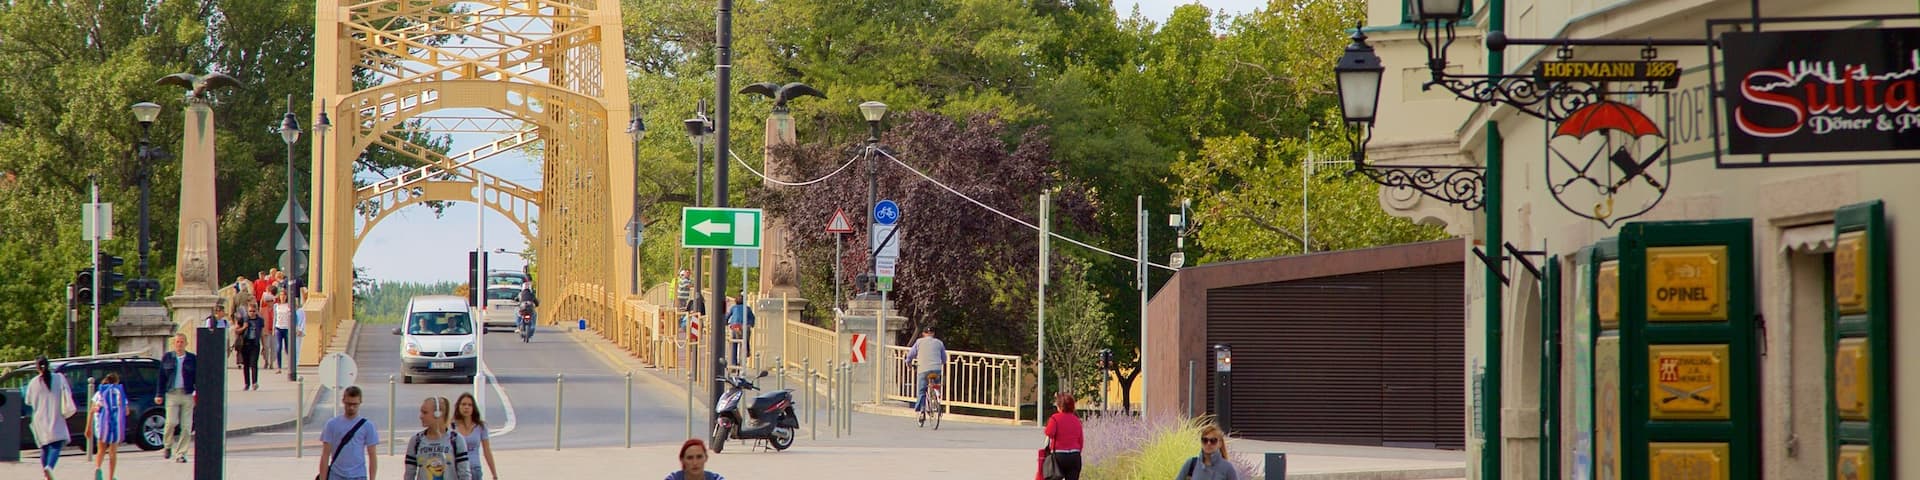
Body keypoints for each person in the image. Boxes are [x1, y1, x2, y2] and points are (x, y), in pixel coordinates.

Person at [25, 356, 77, 480]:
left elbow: (28, 401)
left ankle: (45, 473)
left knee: (44, 446)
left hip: (39, 417)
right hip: (56, 415)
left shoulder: (33, 383)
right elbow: (67, 393)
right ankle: (50, 468)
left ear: (37, 367)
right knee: (56, 444)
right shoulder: (59, 378)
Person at [320, 386, 380, 480]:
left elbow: (372, 455)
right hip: (336, 474)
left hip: (358, 475)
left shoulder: (367, 426)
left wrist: (372, 478)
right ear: (343, 401)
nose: (351, 407)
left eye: (355, 404)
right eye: (348, 404)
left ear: (360, 402)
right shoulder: (331, 424)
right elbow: (325, 455)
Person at [403, 396, 471, 480]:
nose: (421, 416)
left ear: (437, 413)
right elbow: (409, 474)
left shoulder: (455, 439)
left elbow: (464, 473)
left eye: (425, 412)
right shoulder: (416, 440)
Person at [158, 333, 198, 462]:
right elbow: (161, 377)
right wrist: (159, 394)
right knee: (171, 422)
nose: (179, 344)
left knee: (186, 427)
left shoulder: (192, 359)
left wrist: (198, 392)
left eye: (182, 342)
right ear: (174, 344)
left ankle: (181, 453)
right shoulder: (167, 358)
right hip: (172, 394)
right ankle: (168, 445)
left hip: (187, 394)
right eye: (177, 342)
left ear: (186, 344)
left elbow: (198, 377)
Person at [89, 372, 128, 480]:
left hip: (101, 426)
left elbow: (92, 410)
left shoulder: (99, 393)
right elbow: (126, 410)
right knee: (113, 451)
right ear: (117, 381)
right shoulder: (118, 392)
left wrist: (88, 427)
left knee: (101, 450)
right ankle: (111, 477)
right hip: (114, 426)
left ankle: (97, 467)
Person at [903, 327, 948, 417]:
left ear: (923, 334)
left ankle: (922, 410)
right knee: (936, 384)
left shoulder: (919, 342)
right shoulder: (939, 343)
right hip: (936, 369)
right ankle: (937, 398)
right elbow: (944, 359)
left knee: (922, 391)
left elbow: (910, 355)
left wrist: (908, 363)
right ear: (933, 334)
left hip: (923, 369)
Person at [451, 393, 497, 480]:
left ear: (473, 408)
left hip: (475, 469)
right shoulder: (451, 426)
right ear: (458, 406)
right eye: (463, 404)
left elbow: (487, 451)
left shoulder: (480, 426)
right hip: (457, 470)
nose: (466, 407)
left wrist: (494, 474)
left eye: (470, 405)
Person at [1042, 392, 1083, 480]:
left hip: (1059, 455)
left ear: (1060, 407)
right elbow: (1080, 441)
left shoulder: (1055, 418)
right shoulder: (1077, 420)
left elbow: (1049, 433)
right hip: (1074, 456)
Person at [239, 303, 264, 390]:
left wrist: (264, 346)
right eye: (250, 311)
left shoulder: (260, 320)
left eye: (254, 311)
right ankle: (247, 383)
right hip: (245, 344)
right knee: (246, 365)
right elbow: (236, 331)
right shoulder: (243, 320)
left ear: (256, 311)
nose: (252, 313)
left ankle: (254, 382)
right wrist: (244, 327)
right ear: (247, 311)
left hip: (255, 344)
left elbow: (261, 334)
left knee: (253, 363)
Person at [724, 297, 755, 365]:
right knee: (745, 341)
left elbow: (727, 316)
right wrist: (751, 324)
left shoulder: (733, 308)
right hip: (744, 327)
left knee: (733, 345)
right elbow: (752, 317)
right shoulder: (747, 308)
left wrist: (726, 323)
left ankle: (733, 363)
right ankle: (746, 353)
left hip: (734, 327)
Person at [272, 286, 293, 374]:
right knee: (278, 347)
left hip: (287, 328)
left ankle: (291, 365)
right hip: (278, 327)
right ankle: (279, 367)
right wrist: (273, 328)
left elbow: (292, 317)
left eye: (284, 295)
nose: (282, 297)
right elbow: (275, 317)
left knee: (288, 348)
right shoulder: (276, 306)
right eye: (281, 295)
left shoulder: (289, 306)